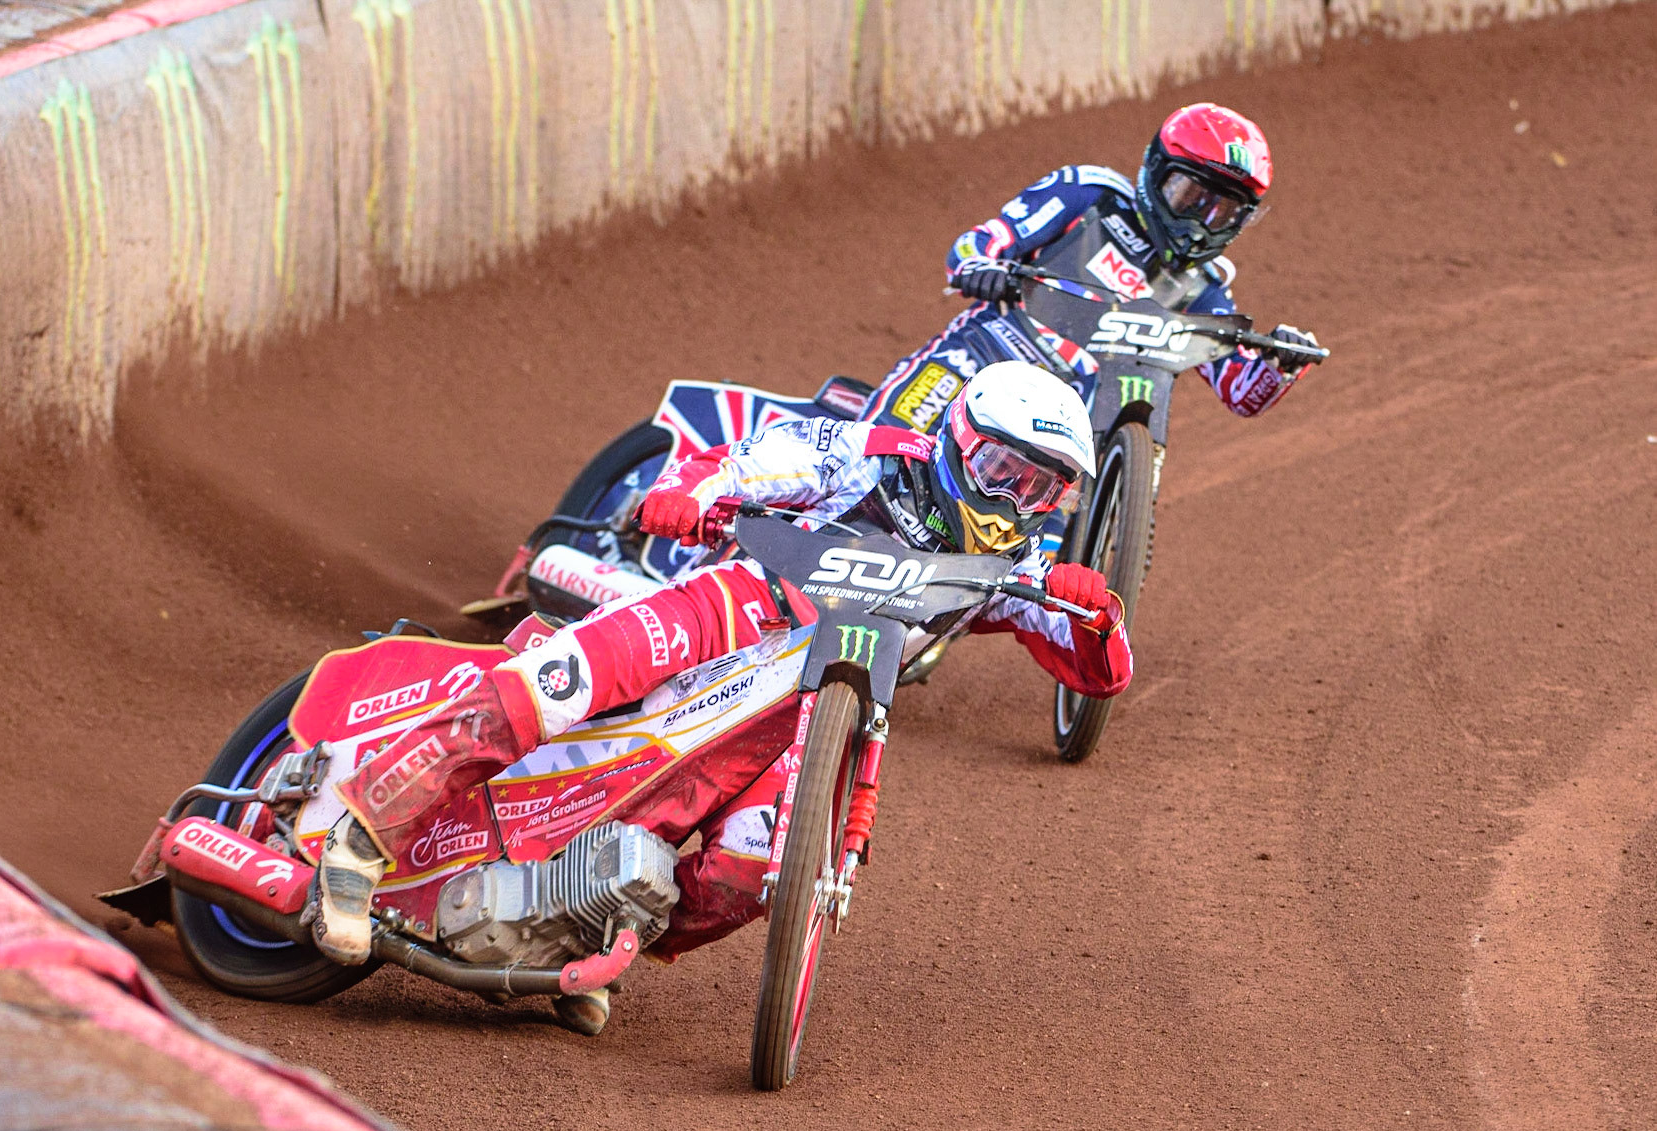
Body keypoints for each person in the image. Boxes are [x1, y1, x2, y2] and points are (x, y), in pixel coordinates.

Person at [302, 363, 1133, 1020]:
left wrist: (1102, 617)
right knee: (558, 684)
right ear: (957, 439)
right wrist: (692, 501)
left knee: (744, 874)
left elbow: (1100, 673)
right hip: (735, 610)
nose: (1007, 500)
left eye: (1036, 489)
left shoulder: (1009, 570)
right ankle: (358, 842)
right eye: (997, 469)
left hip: (801, 719)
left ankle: (572, 940)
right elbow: (745, 462)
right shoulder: (874, 453)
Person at [862, 102, 1321, 484]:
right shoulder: (1091, 193)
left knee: (1053, 539)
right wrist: (981, 266)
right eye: (1190, 197)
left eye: (1222, 211)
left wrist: (1281, 366)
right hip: (989, 352)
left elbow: (1239, 389)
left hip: (1069, 420)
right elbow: (981, 241)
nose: (1199, 222)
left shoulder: (1205, 287)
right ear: (1157, 172)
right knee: (877, 456)